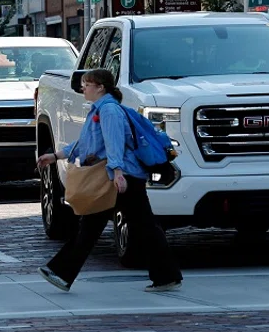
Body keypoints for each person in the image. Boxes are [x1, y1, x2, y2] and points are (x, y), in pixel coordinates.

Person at [36, 68, 182, 293]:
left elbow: (115, 145)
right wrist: (55, 156)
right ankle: (166, 275)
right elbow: (85, 144)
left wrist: (118, 173)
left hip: (121, 178)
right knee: (122, 226)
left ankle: (62, 272)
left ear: (101, 87)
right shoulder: (100, 110)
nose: (83, 88)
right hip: (119, 177)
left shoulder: (109, 111)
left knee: (134, 226)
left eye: (87, 84)